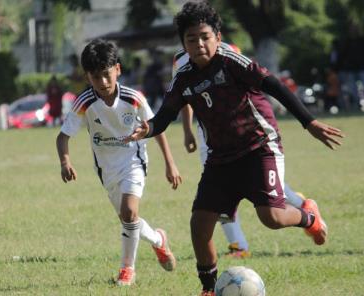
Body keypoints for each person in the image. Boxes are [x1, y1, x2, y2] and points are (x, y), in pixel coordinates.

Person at [125, 2, 344, 295]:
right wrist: (148, 128)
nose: (200, 44)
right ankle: (208, 289)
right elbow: (165, 115)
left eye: (205, 36)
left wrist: (309, 122)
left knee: (272, 218)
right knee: (199, 226)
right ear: (184, 44)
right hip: (220, 159)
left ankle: (310, 218)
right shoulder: (184, 76)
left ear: (217, 36)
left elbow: (275, 86)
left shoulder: (232, 61)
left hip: (259, 148)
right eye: (192, 39)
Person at [56, 39, 181, 286]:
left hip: (134, 160)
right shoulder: (84, 103)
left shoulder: (134, 98)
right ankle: (158, 240)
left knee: (129, 212)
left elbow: (156, 129)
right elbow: (62, 137)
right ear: (87, 76)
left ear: (118, 70)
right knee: (129, 220)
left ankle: (127, 270)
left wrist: (170, 163)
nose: (102, 82)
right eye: (95, 77)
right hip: (106, 169)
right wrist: (65, 161)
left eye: (106, 74)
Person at [174, 43, 315, 258]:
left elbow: (252, 84)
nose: (198, 41)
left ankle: (303, 207)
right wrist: (187, 131)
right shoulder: (180, 61)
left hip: (244, 136)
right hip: (210, 139)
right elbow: (183, 97)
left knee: (265, 191)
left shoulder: (229, 52)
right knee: (219, 196)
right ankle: (238, 245)